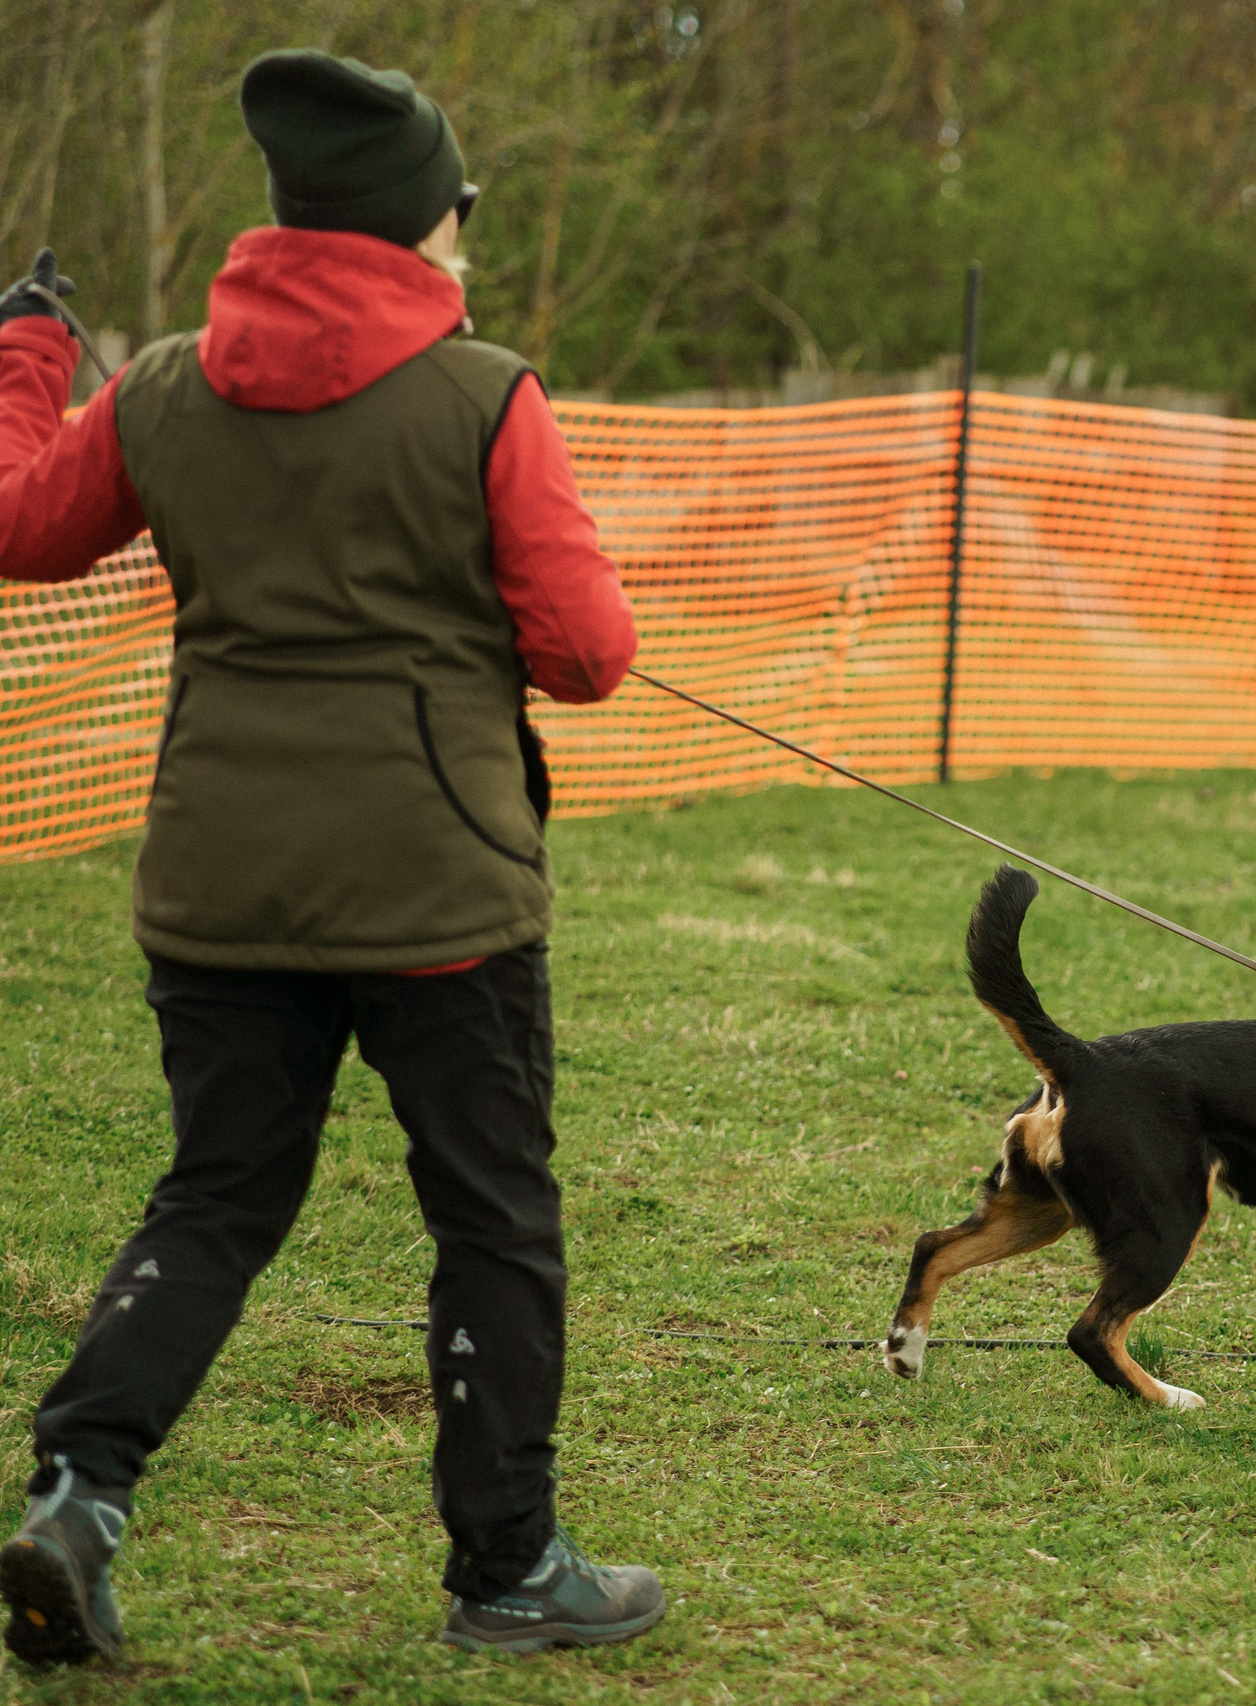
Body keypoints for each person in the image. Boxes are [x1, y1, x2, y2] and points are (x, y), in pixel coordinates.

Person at [0, 50, 661, 1665]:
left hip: (219, 885)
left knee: (218, 1194)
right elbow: (588, 653)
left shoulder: (159, 384)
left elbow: (18, 527)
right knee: (491, 1215)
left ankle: (78, 1494)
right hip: (440, 888)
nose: (472, 238)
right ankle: (509, 1567)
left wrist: (22, 353)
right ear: (415, 224)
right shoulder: (485, 392)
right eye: (464, 211)